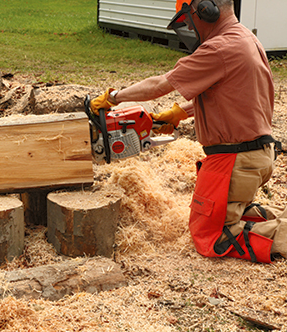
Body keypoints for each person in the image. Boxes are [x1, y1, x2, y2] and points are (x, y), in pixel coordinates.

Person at [90, 0, 286, 263]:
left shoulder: (220, 48)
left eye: (189, 18)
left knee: (211, 236)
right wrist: (179, 112)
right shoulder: (244, 38)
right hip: (255, 155)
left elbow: (160, 84)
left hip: (234, 161)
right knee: (229, 213)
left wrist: (114, 97)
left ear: (206, 10)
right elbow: (229, 95)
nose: (191, 27)